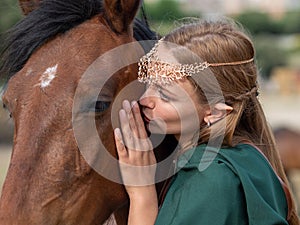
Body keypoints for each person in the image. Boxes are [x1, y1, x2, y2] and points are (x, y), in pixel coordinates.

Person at [113, 19, 300, 225]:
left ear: (214, 112)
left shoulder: (210, 177)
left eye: (165, 96)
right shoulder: (248, 156)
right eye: (149, 83)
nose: (144, 101)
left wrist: (142, 194)